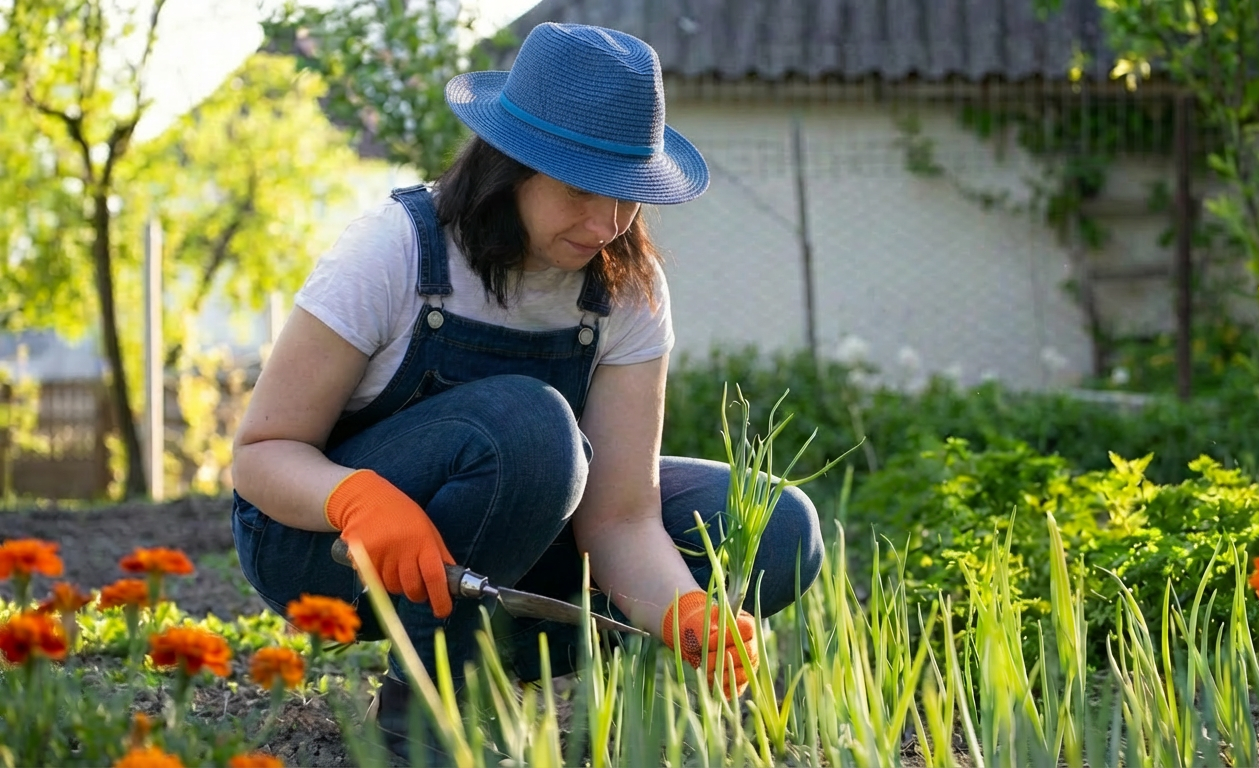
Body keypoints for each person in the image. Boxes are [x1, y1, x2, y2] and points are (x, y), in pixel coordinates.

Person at [229, 21, 823, 757]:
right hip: (321, 548)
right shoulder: (396, 248)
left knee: (778, 530)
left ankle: (518, 672)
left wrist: (683, 610)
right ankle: (430, 709)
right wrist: (354, 498)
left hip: (492, 560)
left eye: (628, 196)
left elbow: (618, 518)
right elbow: (260, 455)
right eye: (581, 191)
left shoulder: (627, 290)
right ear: (512, 165)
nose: (608, 224)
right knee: (532, 429)